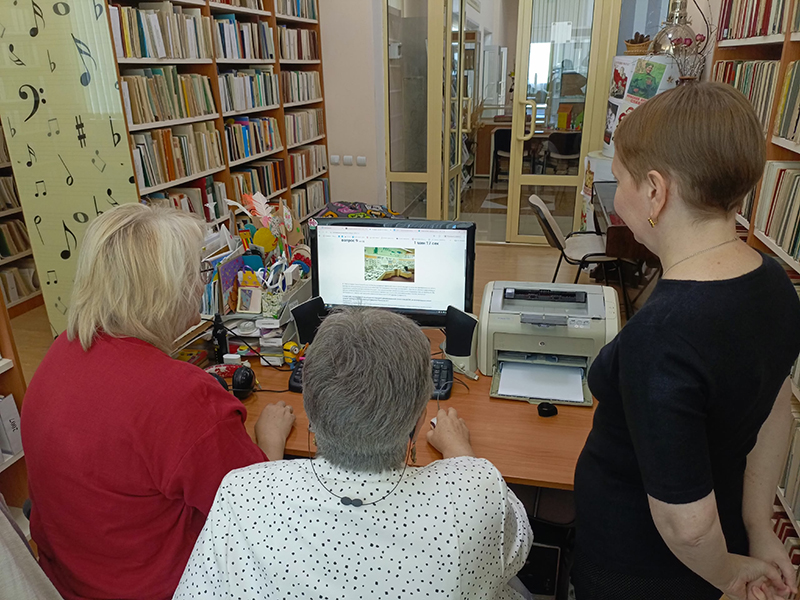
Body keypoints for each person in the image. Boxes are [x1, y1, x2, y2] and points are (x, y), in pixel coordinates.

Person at [572, 81, 800, 600]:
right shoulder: (772, 283)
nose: (616, 195)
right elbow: (777, 407)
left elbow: (689, 528)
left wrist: (729, 576)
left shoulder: (661, 336)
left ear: (656, 191)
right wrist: (759, 527)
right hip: (723, 536)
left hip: (642, 566)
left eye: (619, 178)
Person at [22, 204, 296, 600]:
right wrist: (270, 440)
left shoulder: (60, 351)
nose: (201, 286)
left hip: (68, 582)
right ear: (166, 290)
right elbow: (260, 511)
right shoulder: (181, 395)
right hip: (169, 588)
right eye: (196, 273)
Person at [173, 308, 533, 599]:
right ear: (419, 417)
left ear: (310, 410)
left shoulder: (241, 494)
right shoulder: (477, 490)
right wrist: (459, 451)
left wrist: (270, 454)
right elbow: (517, 550)